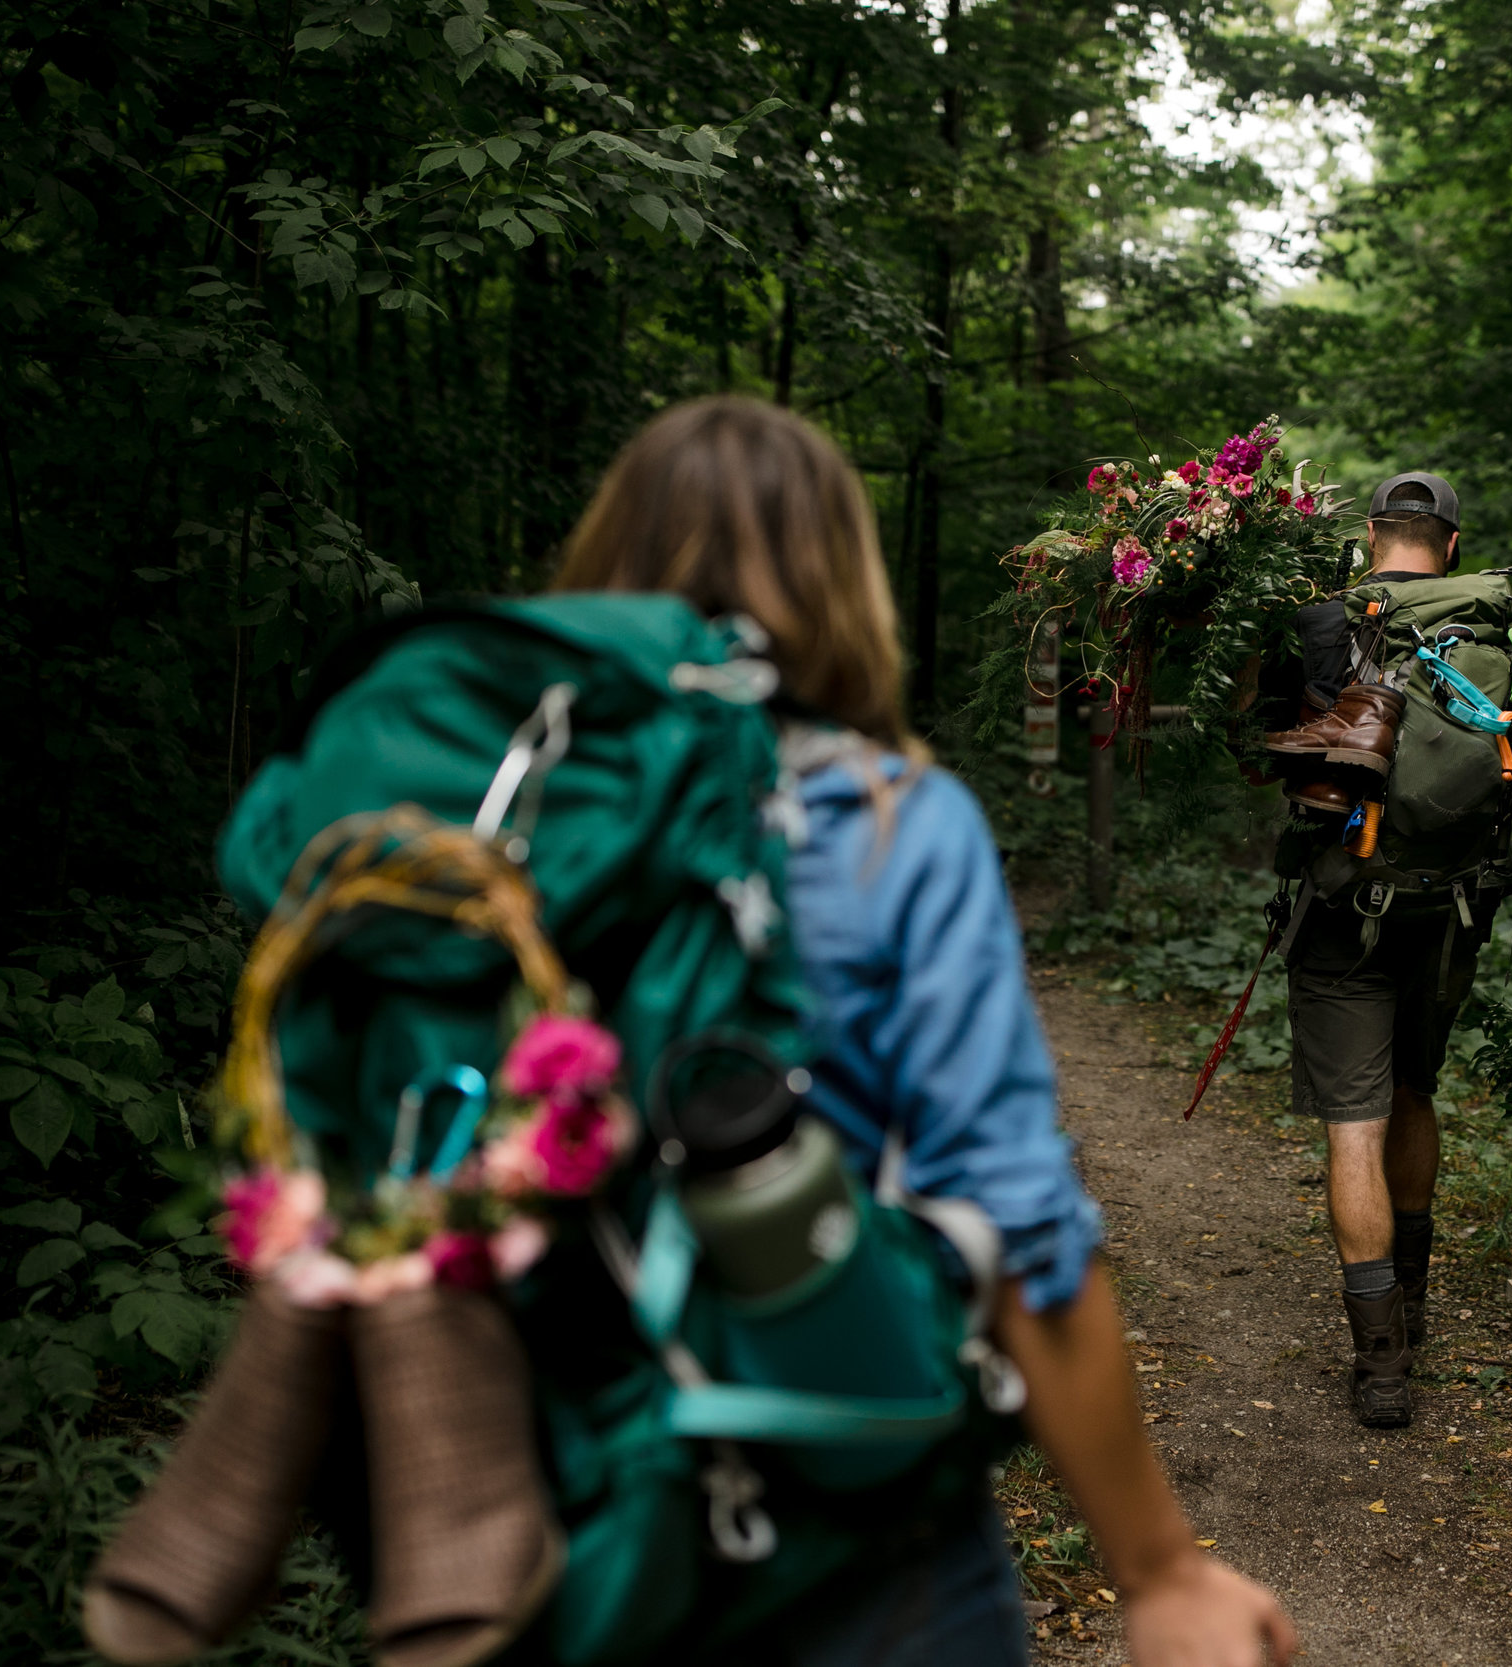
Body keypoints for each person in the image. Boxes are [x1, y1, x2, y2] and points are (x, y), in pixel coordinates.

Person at [551, 397, 1296, 1667]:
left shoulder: (498, 825)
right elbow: (1010, 1209)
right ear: (841, 579)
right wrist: (1157, 1565)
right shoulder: (892, 821)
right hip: (849, 1506)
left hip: (553, 1491)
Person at [1260, 471, 1512, 1429]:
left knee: (1355, 1125)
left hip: (1345, 910)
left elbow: (1258, 750)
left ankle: (1382, 1366)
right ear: (1452, 545)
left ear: (1372, 533)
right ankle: (1412, 1316)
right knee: (1415, 1090)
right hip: (1452, 916)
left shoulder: (1322, 630)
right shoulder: (1501, 641)